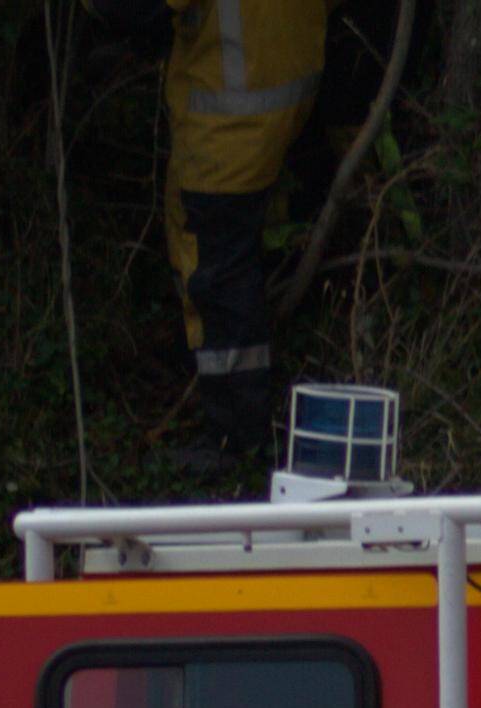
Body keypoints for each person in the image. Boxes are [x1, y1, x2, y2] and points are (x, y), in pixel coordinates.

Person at [119, 0, 333, 489]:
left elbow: (127, 10)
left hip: (228, 121)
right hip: (290, 96)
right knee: (242, 260)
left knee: (216, 278)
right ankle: (249, 408)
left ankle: (236, 437)